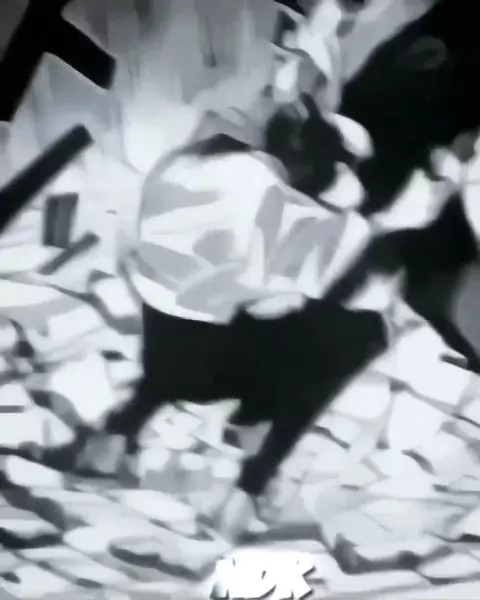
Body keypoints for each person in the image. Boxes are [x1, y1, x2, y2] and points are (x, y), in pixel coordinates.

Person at [42, 0, 389, 540]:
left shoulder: (190, 162)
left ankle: (116, 437)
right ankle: (250, 481)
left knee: (228, 305)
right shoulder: (285, 211)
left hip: (165, 354)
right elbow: (325, 284)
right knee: (363, 332)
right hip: (212, 367)